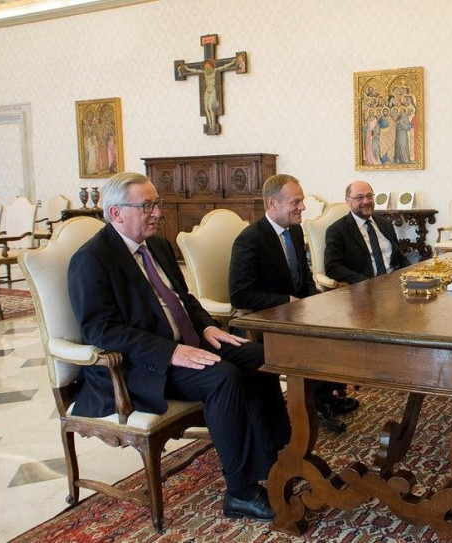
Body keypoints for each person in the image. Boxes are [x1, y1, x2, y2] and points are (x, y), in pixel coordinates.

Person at [68, 172, 290, 522]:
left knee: (262, 357)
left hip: (187, 344)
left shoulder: (156, 245)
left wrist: (206, 326)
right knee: (223, 377)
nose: (157, 213)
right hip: (142, 366)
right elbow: (101, 329)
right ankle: (241, 492)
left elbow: (183, 297)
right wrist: (170, 352)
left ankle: (277, 459)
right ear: (116, 213)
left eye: (156, 204)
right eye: (147, 206)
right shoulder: (92, 259)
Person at [229, 174, 359, 433]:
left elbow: (303, 277)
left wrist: (317, 299)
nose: (303, 207)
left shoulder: (295, 231)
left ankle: (327, 394)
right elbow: (240, 295)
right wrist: (288, 301)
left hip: (297, 312)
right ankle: (315, 404)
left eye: (301, 201)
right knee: (317, 340)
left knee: (341, 323)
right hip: (269, 321)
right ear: (272, 203)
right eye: (295, 202)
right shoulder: (250, 239)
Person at [324, 180, 408, 285]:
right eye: (359, 197)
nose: (366, 201)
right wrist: (365, 282)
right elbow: (332, 268)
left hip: (396, 282)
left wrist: (412, 273)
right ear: (348, 201)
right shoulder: (337, 230)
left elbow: (399, 257)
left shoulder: (385, 223)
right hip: (365, 287)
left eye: (369, 196)